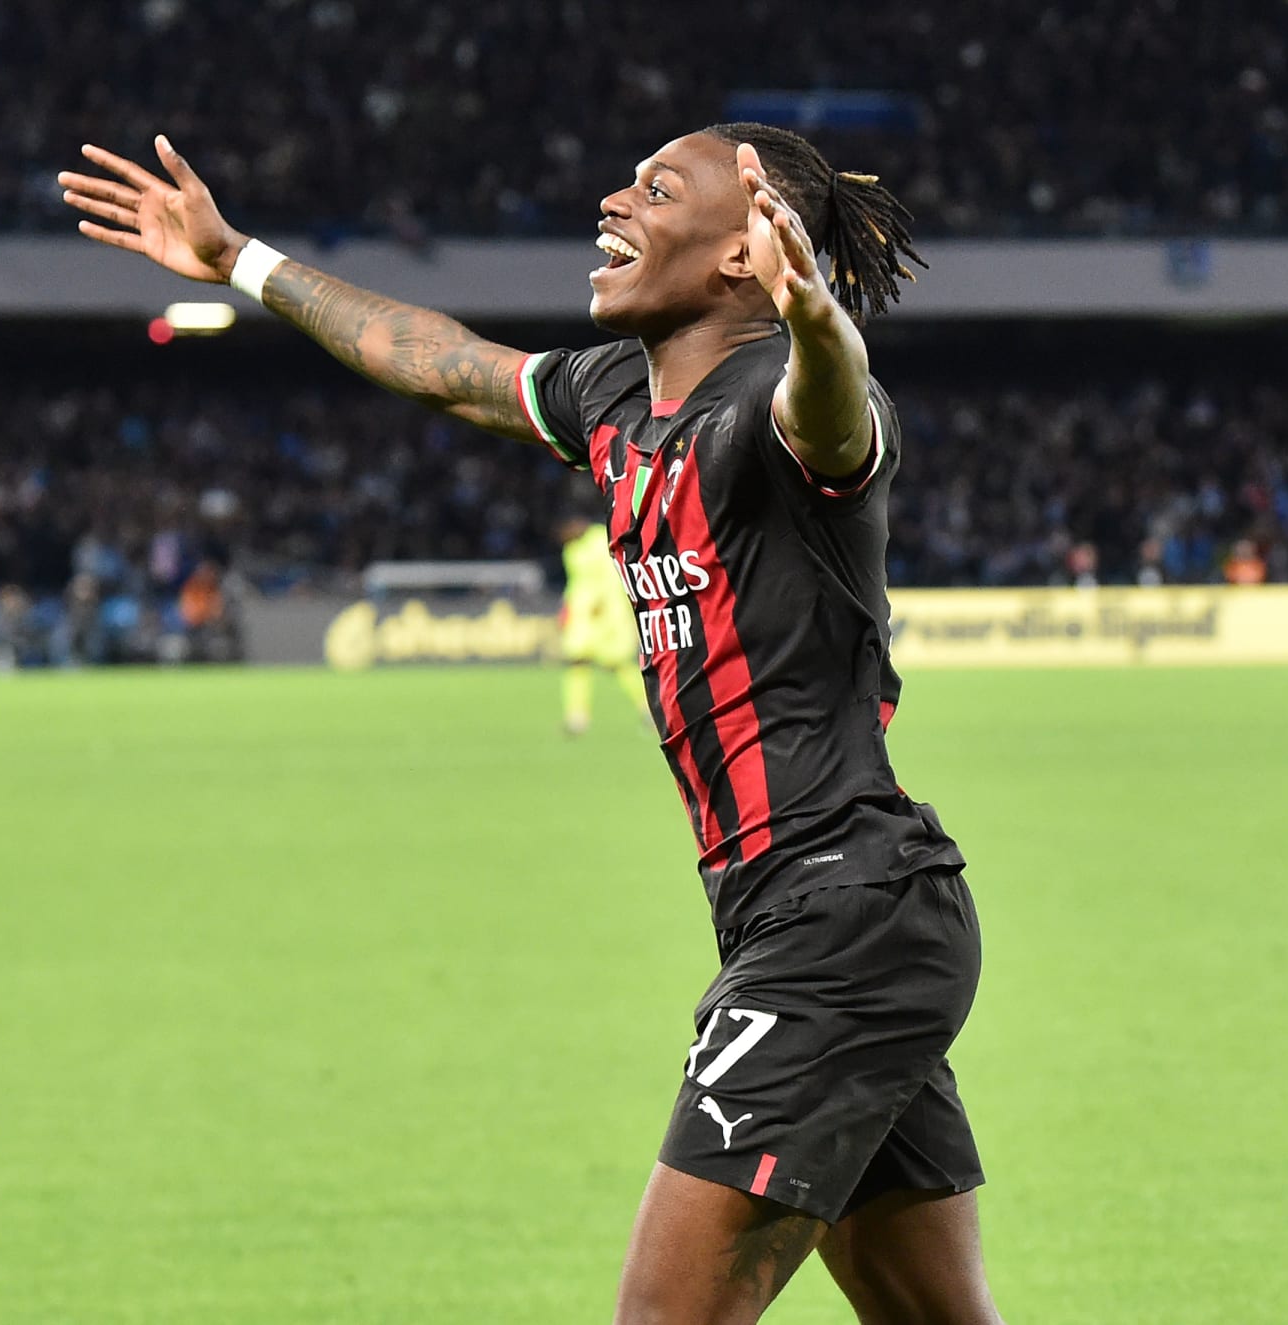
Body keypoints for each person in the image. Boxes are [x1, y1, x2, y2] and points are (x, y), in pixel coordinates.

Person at [61, 123, 999, 1323]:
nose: (612, 197)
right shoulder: (614, 398)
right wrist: (239, 256)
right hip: (827, 917)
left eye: (658, 189)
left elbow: (834, 406)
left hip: (843, 919)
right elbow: (438, 360)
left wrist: (816, 314)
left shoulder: (779, 406)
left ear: (738, 258)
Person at [559, 513, 650, 736]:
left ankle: (647, 706)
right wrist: (567, 608)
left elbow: (612, 575)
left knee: (617, 663)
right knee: (577, 662)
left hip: (608, 613)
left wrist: (602, 603)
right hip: (582, 616)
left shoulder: (601, 539)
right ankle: (577, 716)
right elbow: (576, 583)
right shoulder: (570, 549)